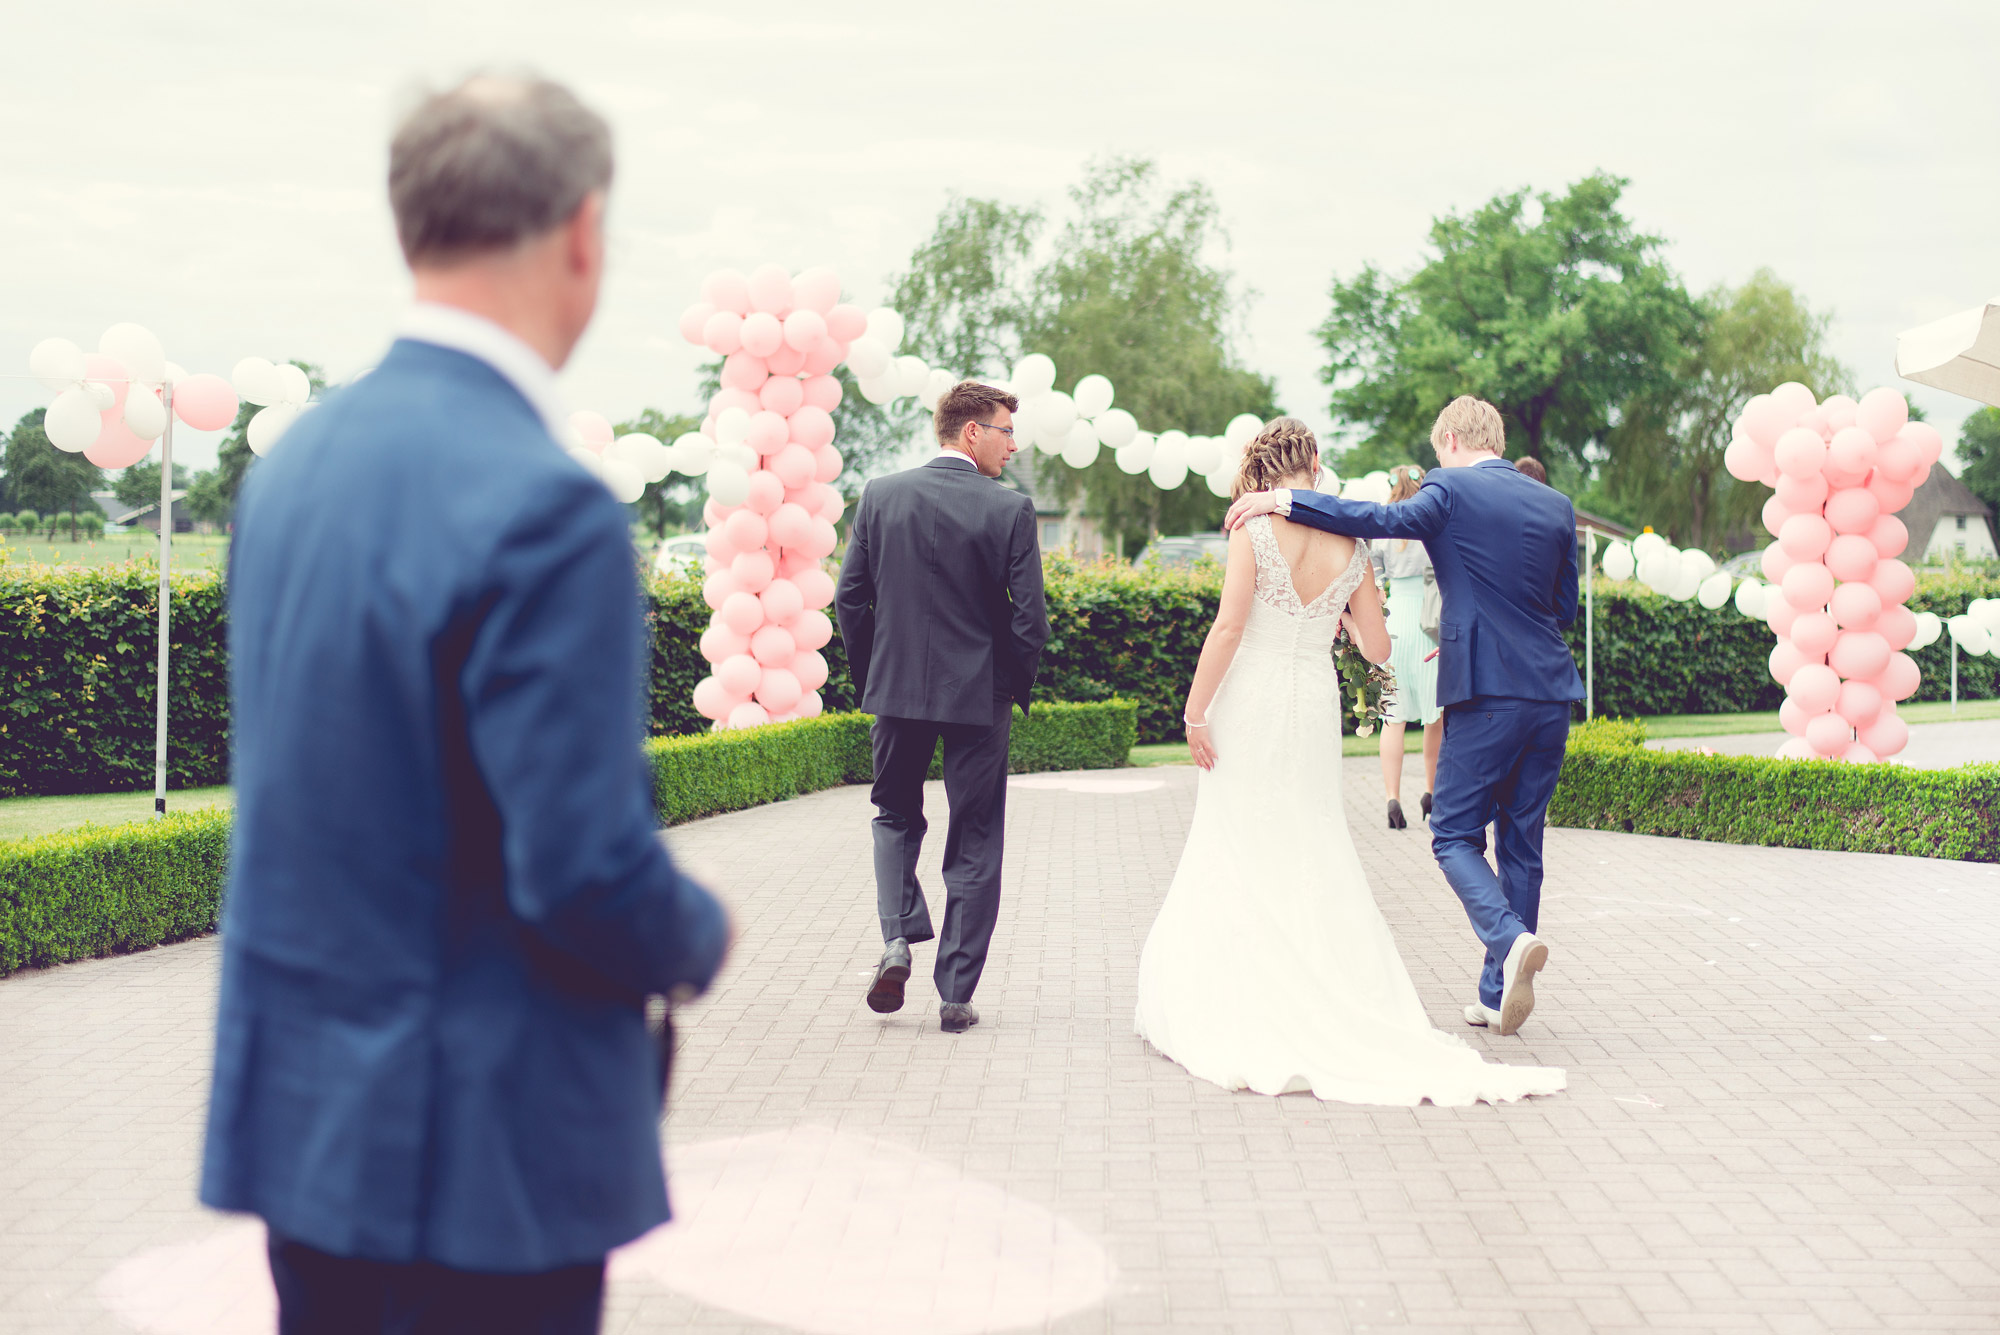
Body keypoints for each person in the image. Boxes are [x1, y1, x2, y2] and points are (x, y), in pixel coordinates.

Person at [200, 75, 730, 1335]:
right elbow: (582, 869)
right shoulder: (548, 508)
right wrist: (698, 936)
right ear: (582, 232)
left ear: (411, 223)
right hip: (483, 1152)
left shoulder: (293, 474)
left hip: (309, 1132)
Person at [1133, 419, 1564, 1105]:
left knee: (1238, 832)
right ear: (1312, 463)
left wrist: (1193, 713)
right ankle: (1345, 981)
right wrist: (1333, 612)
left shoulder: (1253, 527)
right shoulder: (1352, 544)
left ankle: (1241, 986)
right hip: (1311, 701)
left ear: (1265, 468)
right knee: (1311, 835)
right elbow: (1377, 648)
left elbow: (1229, 627)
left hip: (1253, 697)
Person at [1225, 397, 1583, 1037]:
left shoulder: (1449, 488)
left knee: (1450, 832)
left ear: (1448, 440)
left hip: (1486, 690)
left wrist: (1283, 502)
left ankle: (1507, 938)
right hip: (1552, 691)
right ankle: (1498, 995)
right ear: (1496, 438)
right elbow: (1562, 610)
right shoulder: (1555, 505)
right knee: (1523, 842)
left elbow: (1379, 518)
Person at [835, 381, 1050, 1034]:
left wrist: (876, 675)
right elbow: (1029, 621)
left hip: (894, 690)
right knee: (977, 834)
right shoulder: (1010, 509)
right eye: (1006, 430)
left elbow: (850, 599)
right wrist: (1008, 686)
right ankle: (955, 991)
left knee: (894, 814)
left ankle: (897, 939)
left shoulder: (880, 495)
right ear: (970, 432)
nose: (1014, 444)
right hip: (978, 698)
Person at [1372, 464, 1443, 830]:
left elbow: (1376, 580)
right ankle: (1431, 791)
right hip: (1428, 622)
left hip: (1394, 623)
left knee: (1392, 718)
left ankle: (1391, 797)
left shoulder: (1383, 531)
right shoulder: (1430, 526)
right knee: (1435, 716)